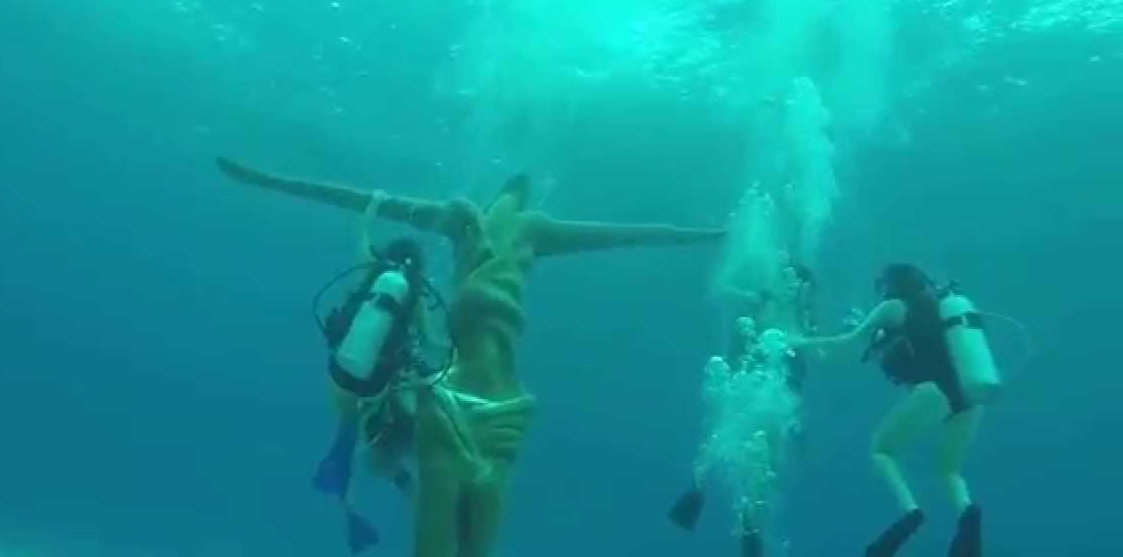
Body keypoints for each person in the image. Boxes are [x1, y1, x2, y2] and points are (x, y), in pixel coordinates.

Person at [215, 158, 726, 557]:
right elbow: (624, 235)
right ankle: (387, 461)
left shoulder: (463, 220)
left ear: (503, 191)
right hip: (496, 407)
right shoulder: (516, 226)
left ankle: (383, 460)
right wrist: (698, 235)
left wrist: (268, 180)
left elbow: (360, 201)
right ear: (523, 193)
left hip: (465, 404)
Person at [791, 263, 996, 557]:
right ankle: (968, 527)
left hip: (934, 390)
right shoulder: (945, 302)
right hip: (971, 393)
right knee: (950, 470)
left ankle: (910, 514)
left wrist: (799, 340)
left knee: (881, 449)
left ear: (890, 284)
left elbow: (847, 342)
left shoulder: (893, 306)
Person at [312, 191, 440, 554]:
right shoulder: (413, 297)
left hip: (338, 373)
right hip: (374, 385)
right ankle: (397, 475)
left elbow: (362, 233)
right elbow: (430, 341)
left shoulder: (372, 270)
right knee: (374, 430)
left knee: (344, 429)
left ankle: (345, 500)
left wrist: (375, 205)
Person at [669, 261, 817, 557]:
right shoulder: (764, 300)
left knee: (762, 462)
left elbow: (817, 351)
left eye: (795, 280)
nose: (790, 285)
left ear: (804, 287)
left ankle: (751, 534)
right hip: (749, 384)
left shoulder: (804, 317)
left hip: (778, 395)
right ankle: (696, 495)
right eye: (785, 278)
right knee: (722, 439)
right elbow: (723, 289)